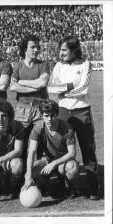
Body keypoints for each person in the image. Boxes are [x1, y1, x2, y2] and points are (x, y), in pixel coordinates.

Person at [48, 36, 99, 200]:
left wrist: (63, 91)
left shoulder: (86, 64)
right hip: (63, 111)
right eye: (60, 49)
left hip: (82, 111)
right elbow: (52, 87)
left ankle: (93, 188)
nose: (60, 53)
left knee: (87, 150)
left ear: (74, 50)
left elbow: (83, 89)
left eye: (64, 50)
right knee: (62, 150)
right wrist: (68, 86)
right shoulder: (57, 66)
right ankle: (66, 187)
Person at [21, 99, 79, 199]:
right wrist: (29, 176)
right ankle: (46, 186)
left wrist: (54, 163)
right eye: (46, 116)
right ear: (42, 116)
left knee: (72, 168)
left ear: (57, 115)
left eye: (52, 115)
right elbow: (32, 152)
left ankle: (69, 187)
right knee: (31, 170)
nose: (49, 119)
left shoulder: (67, 128)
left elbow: (72, 153)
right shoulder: (38, 128)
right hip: (47, 161)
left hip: (63, 162)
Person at [10, 35, 50, 159]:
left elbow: (42, 83)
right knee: (20, 144)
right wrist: (34, 86)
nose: (36, 50)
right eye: (32, 47)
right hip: (22, 109)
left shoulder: (43, 65)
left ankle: (39, 175)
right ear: (24, 49)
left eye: (38, 47)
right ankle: (20, 175)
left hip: (40, 109)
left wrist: (21, 82)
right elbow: (12, 87)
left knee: (40, 144)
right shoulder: (18, 65)